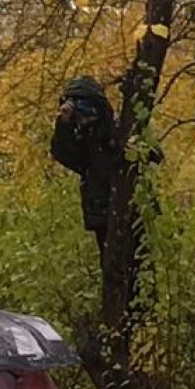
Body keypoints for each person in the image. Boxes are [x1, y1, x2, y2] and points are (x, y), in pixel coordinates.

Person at [49, 77, 120, 269]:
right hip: (101, 214)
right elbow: (63, 153)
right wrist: (63, 122)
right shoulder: (81, 141)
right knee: (111, 270)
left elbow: (154, 155)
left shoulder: (118, 129)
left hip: (129, 210)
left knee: (138, 270)